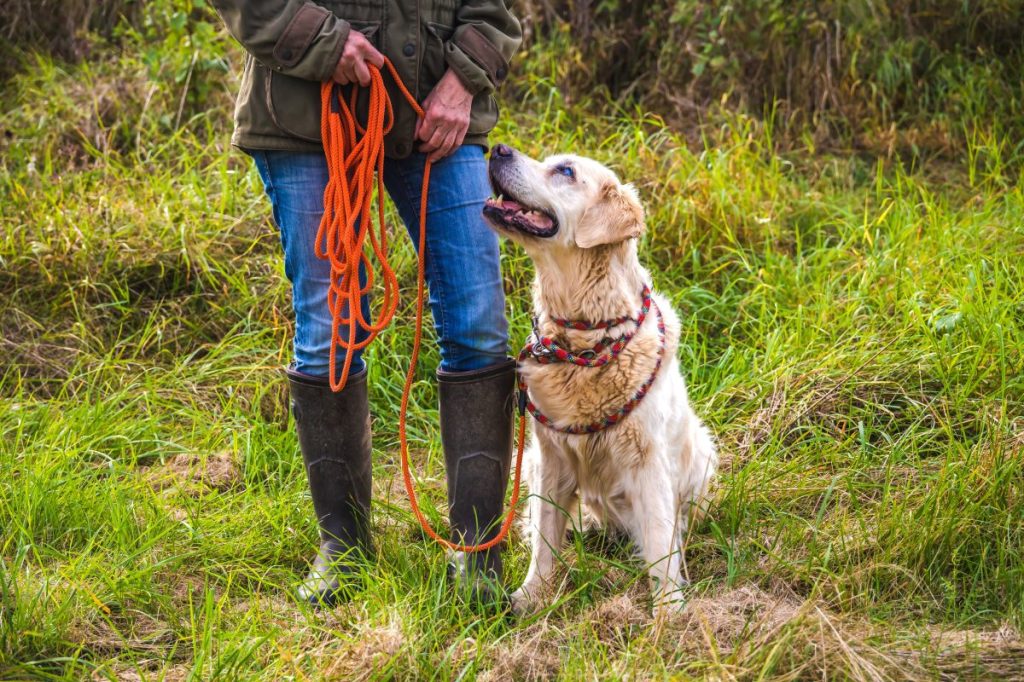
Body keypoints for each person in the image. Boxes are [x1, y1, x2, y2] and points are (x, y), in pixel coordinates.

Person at [210, 0, 522, 606]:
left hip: (439, 114)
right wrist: (324, 41)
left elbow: (495, 10)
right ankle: (344, 552)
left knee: (480, 324)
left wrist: (463, 82)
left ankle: (479, 552)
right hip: (305, 114)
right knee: (330, 329)